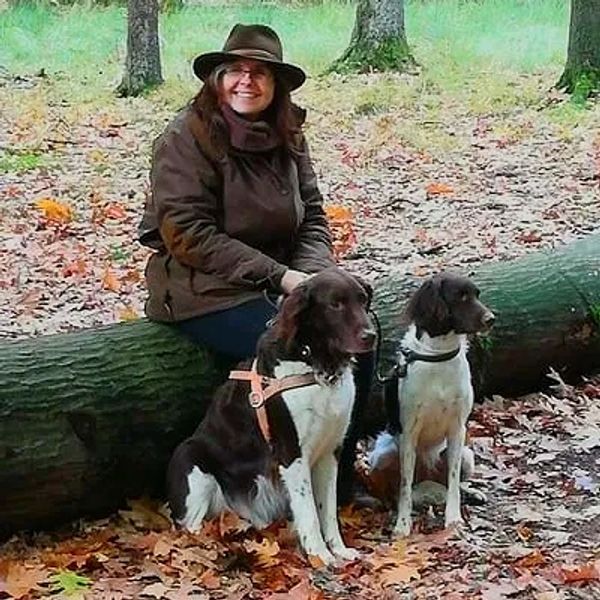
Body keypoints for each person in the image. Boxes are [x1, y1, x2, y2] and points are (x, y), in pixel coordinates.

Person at [138, 23, 373, 504]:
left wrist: (311, 279)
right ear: (218, 79)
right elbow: (188, 234)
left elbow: (313, 216)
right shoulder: (186, 137)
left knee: (359, 338)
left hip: (281, 281)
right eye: (235, 71)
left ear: (276, 84)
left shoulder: (289, 135)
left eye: (260, 72)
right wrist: (283, 278)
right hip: (202, 288)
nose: (247, 81)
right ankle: (278, 476)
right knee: (300, 344)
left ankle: (338, 479)